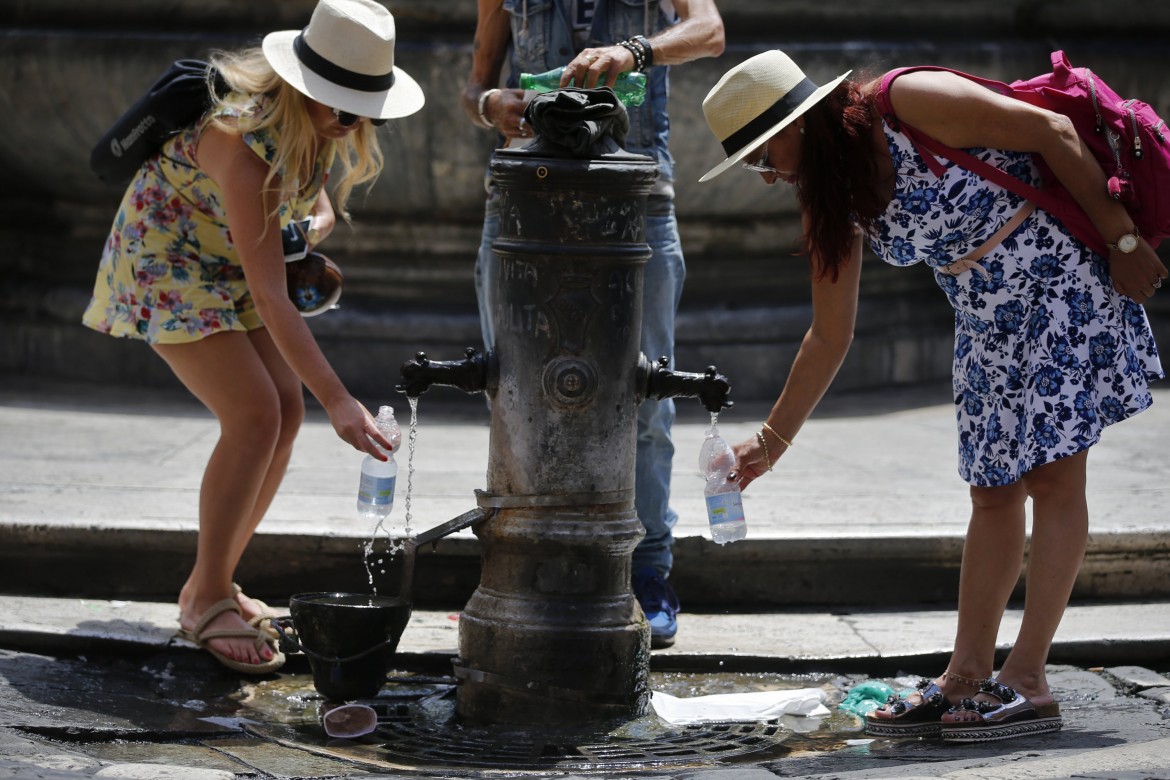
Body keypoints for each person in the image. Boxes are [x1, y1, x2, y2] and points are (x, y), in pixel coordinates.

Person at [698, 50, 1165, 740]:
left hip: (1060, 282)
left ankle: (1028, 680)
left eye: (764, 156)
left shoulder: (908, 101)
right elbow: (830, 334)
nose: (767, 175)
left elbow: (1052, 134)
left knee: (1053, 480)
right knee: (991, 491)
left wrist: (1123, 239)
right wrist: (772, 441)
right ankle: (965, 677)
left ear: (799, 124)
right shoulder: (832, 192)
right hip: (984, 318)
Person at [81, 0, 425, 674]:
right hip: (167, 261)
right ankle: (205, 595)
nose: (353, 123)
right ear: (304, 88)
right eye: (344, 108)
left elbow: (316, 199)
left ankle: (216, 580)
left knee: (281, 412)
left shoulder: (315, 125)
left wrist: (308, 227)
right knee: (253, 414)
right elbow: (271, 299)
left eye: (364, 112)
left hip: (223, 261)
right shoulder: (242, 147)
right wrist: (341, 401)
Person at [461, 0, 724, 650]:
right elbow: (475, 84)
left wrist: (635, 52)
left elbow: (711, 32)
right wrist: (492, 105)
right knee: (513, 394)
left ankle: (648, 568)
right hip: (524, 195)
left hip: (638, 198)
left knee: (646, 397)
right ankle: (516, 563)